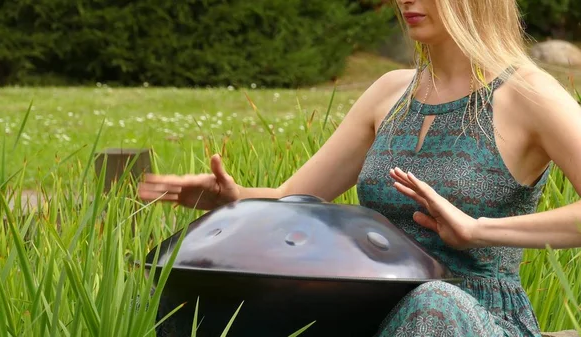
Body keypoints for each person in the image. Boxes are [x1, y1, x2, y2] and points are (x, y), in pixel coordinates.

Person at [138, 0, 581, 336]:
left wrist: (477, 230)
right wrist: (233, 201)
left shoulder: (529, 94)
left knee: (432, 304)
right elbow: (300, 198)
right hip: (371, 304)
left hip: (473, 313)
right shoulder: (389, 92)